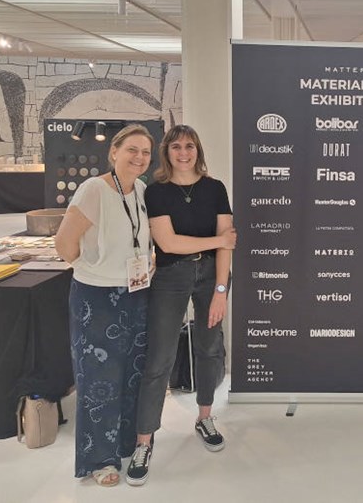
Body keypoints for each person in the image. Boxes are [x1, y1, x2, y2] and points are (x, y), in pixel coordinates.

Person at [125, 124, 236, 486]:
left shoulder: (215, 188)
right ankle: (144, 440)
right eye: (176, 147)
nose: (183, 153)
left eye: (189, 146)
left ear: (197, 150)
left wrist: (221, 290)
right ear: (167, 152)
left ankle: (204, 417)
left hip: (211, 277)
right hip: (171, 277)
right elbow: (169, 244)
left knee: (209, 348)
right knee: (159, 358)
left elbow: (227, 246)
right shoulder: (156, 191)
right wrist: (218, 240)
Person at [54, 124, 155, 486]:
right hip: (96, 298)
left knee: (131, 373)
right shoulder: (94, 189)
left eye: (145, 152)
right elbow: (64, 244)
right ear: (114, 152)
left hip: (136, 293)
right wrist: (91, 267)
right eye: (132, 150)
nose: (139, 157)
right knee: (99, 380)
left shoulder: (141, 190)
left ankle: (125, 443)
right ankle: (101, 459)